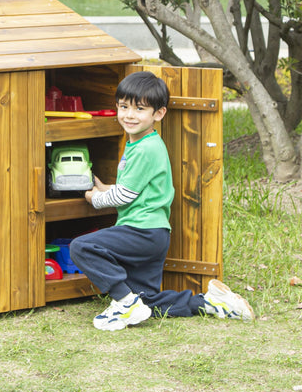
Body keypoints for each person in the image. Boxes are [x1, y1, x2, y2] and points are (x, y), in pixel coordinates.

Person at [69, 71, 254, 331]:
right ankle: (212, 303)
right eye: (123, 107)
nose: (129, 115)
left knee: (82, 247)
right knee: (147, 302)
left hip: (140, 231)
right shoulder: (140, 144)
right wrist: (106, 186)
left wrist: (94, 197)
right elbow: (133, 188)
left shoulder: (145, 149)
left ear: (158, 114)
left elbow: (124, 196)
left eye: (139, 109)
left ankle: (123, 301)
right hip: (153, 234)